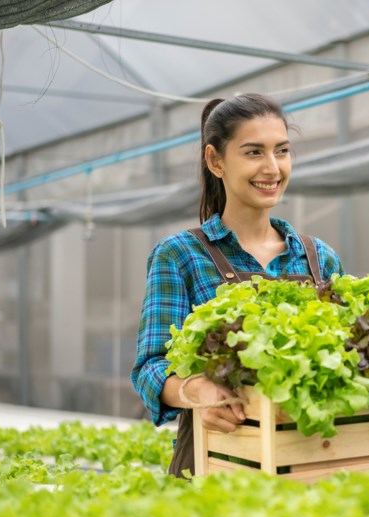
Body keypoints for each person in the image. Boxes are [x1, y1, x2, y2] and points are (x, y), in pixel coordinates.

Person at [131, 93, 345, 477]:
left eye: (281, 151)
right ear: (216, 161)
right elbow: (151, 368)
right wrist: (197, 391)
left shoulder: (318, 258)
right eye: (253, 153)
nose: (272, 168)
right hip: (217, 464)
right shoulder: (180, 255)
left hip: (311, 463)